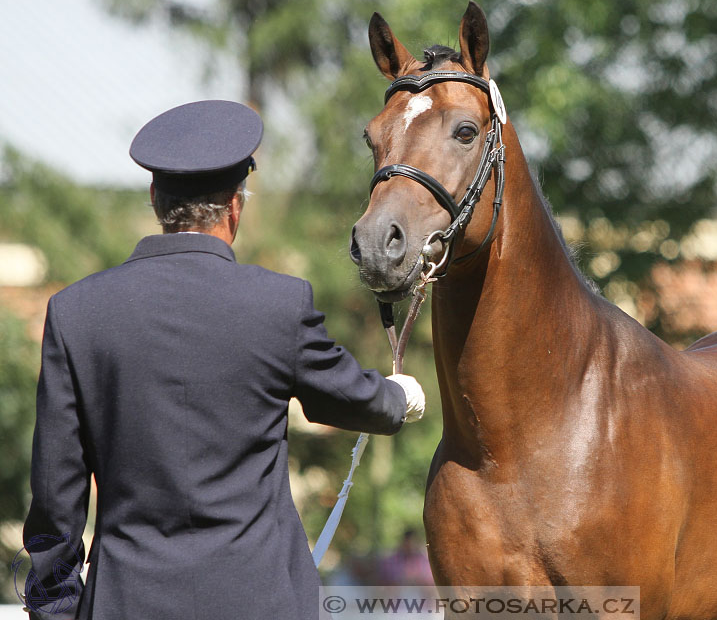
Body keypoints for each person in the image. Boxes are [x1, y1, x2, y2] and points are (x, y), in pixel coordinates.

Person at [21, 100, 426, 620]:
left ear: (154, 197)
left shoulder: (76, 312)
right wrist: (401, 396)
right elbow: (348, 399)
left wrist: (55, 608)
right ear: (236, 205)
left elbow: (55, 495)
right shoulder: (278, 304)